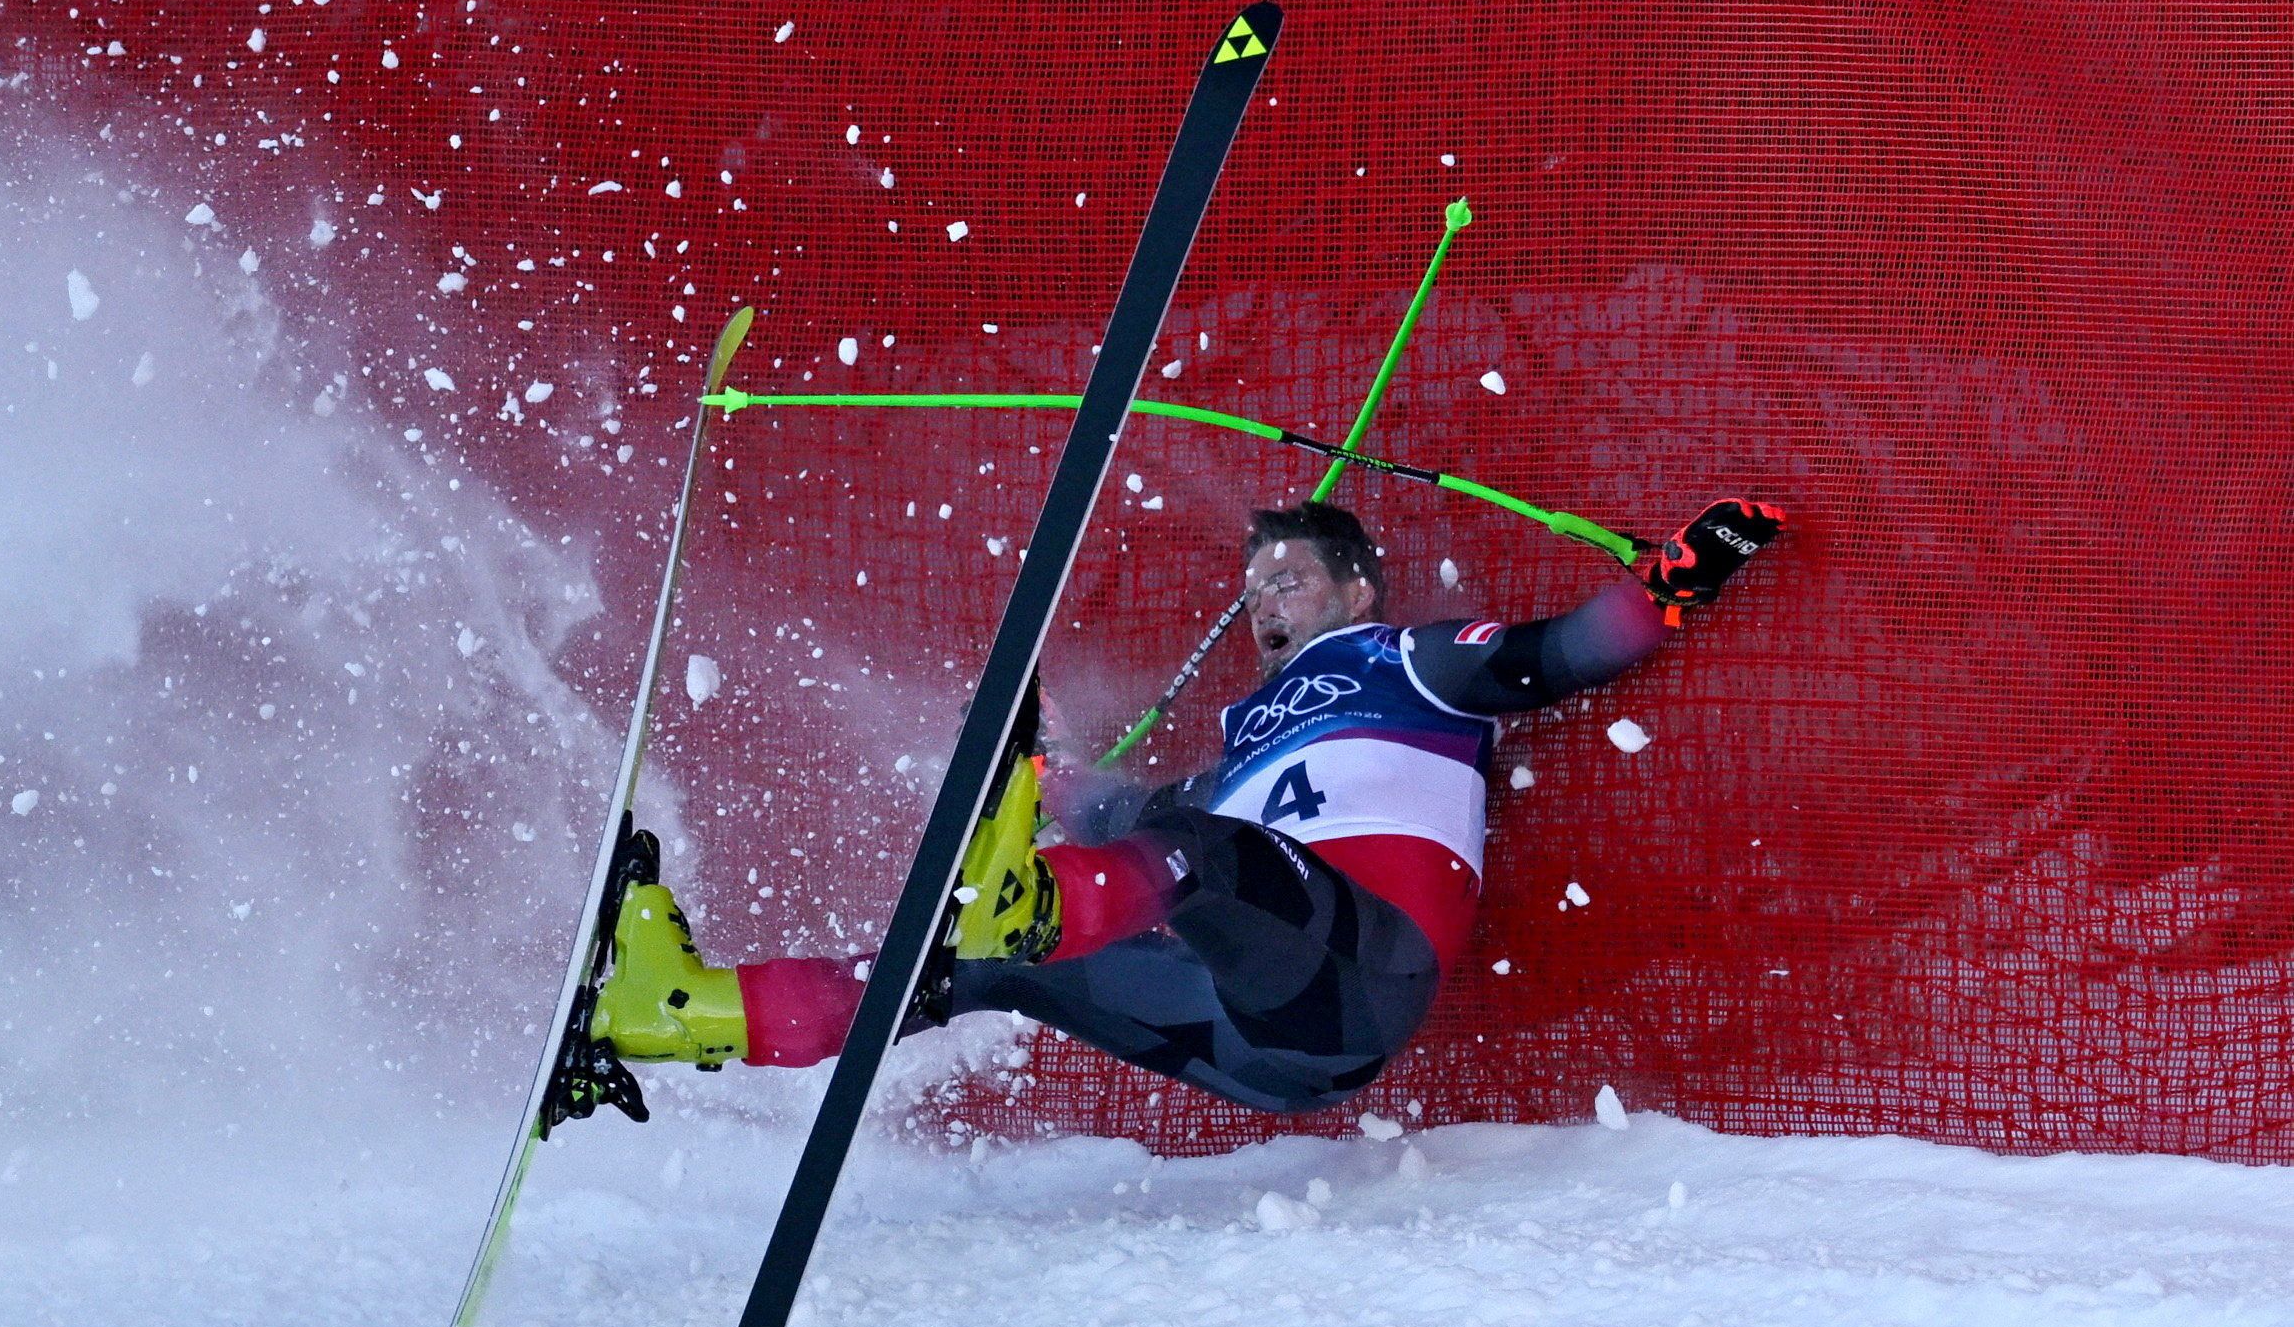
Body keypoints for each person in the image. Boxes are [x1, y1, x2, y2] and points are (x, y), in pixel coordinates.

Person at [588, 496, 1783, 1114]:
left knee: (1196, 855)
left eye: (1291, 577)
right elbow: (1121, 816)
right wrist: (1041, 770)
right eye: (1255, 586)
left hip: (1361, 978)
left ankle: (1027, 901)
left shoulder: (1405, 660)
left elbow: (1567, 651)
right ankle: (678, 1010)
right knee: (976, 964)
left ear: (1357, 584)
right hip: (1252, 1034)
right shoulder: (1236, 745)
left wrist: (1689, 564)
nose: (1266, 601)